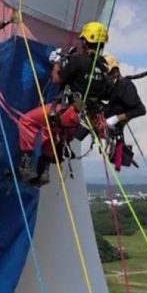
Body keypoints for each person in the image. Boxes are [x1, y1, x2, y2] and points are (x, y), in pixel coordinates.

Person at [16, 21, 113, 186]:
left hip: (69, 112)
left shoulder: (78, 61)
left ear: (85, 41)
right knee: (50, 132)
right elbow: (107, 94)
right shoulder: (103, 69)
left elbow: (56, 79)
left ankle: (25, 165)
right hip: (85, 119)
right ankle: (43, 170)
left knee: (27, 121)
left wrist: (56, 62)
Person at [101, 54, 147, 132]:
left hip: (113, 125)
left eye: (107, 74)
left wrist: (117, 119)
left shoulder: (125, 85)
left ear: (115, 72)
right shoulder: (113, 86)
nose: (106, 77)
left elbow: (141, 110)